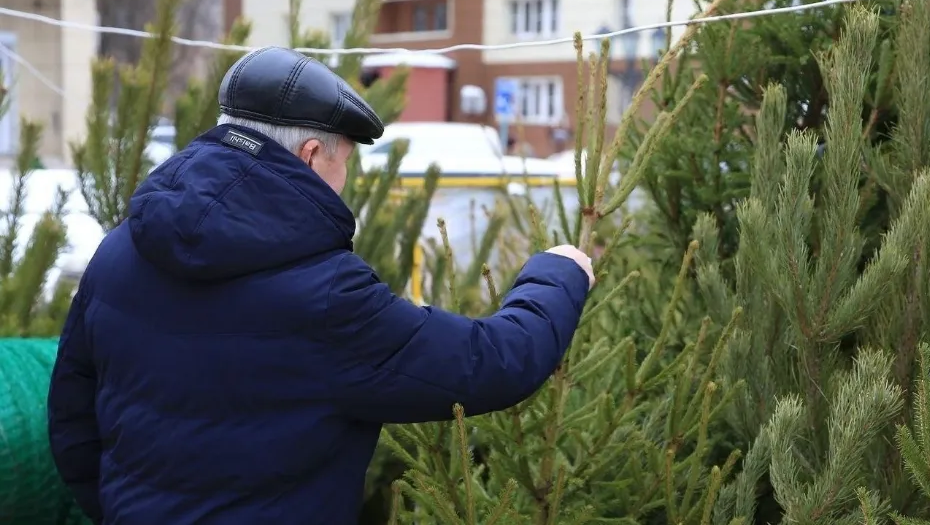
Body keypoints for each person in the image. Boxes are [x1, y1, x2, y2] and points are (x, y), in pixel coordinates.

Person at [47, 46, 595, 525]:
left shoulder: (120, 249)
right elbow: (493, 363)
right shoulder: (325, 294)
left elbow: (72, 414)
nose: (345, 183)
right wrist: (560, 272)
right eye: (346, 163)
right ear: (312, 156)